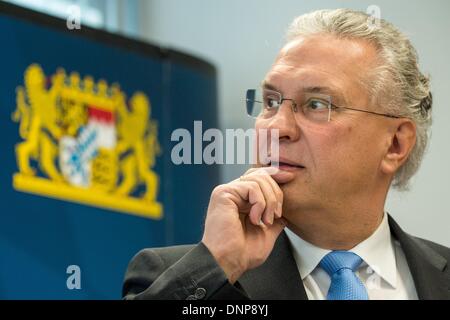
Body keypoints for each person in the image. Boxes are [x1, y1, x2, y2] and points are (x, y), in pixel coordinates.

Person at [122, 9, 450, 300]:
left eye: (317, 105)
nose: (277, 127)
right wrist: (219, 264)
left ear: (395, 144)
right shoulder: (180, 278)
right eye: (271, 102)